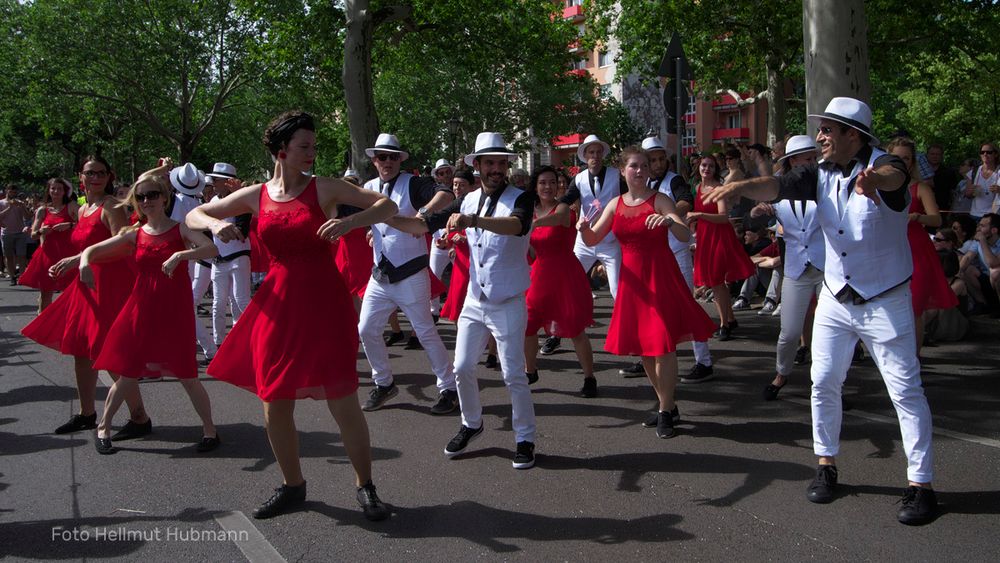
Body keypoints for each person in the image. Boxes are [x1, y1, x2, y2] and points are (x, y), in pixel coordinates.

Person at [704, 97, 937, 525]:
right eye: (822, 129)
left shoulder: (887, 165)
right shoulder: (818, 173)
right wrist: (739, 188)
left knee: (905, 391)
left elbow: (893, 176)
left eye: (829, 130)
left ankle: (920, 485)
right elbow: (777, 186)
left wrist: (872, 181)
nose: (822, 137)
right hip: (835, 295)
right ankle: (826, 466)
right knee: (823, 380)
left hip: (885, 299)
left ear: (855, 135)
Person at [185, 111, 396, 521]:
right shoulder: (256, 194)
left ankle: (365, 485)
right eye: (304, 146)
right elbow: (195, 214)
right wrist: (213, 224)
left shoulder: (325, 189)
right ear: (281, 151)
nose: (312, 153)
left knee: (342, 399)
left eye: (313, 146)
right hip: (277, 305)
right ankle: (292, 485)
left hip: (323, 301)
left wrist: (351, 220)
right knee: (274, 401)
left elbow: (386, 205)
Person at [385, 132, 538, 469]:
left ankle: (524, 437)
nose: (497, 169)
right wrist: (380, 217)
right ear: (478, 166)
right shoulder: (466, 200)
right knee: (462, 366)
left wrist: (475, 221)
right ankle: (472, 423)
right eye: (490, 163)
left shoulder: (520, 198)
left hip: (508, 300)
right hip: (475, 300)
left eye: (502, 163)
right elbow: (419, 224)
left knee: (513, 373)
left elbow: (518, 226)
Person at [578, 146, 716, 438]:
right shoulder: (615, 204)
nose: (639, 171)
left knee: (662, 345)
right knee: (644, 347)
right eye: (634, 166)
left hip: (660, 277)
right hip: (632, 283)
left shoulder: (660, 200)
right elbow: (592, 239)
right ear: (623, 171)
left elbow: (685, 234)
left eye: (643, 166)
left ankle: (665, 409)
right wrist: (581, 228)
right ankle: (667, 403)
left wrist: (669, 220)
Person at [86, 172, 220, 454]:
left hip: (174, 309)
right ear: (136, 202)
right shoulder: (134, 234)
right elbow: (94, 250)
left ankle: (210, 430)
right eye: (141, 197)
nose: (147, 201)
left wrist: (181, 255)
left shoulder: (180, 229)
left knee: (188, 375)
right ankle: (103, 428)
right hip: (141, 308)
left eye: (152, 195)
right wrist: (84, 262)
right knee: (127, 372)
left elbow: (211, 248)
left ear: (164, 197)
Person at [21, 156, 150, 438]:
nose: (95, 178)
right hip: (86, 286)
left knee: (111, 354)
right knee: (81, 350)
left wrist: (78, 258)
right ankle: (86, 413)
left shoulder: (112, 207)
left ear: (109, 176)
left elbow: (124, 246)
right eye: (90, 173)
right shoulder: (83, 210)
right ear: (80, 176)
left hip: (110, 287)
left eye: (101, 173)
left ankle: (140, 417)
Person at [356, 133, 458, 415]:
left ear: (400, 160)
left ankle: (448, 387)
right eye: (381, 156)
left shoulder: (413, 183)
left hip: (411, 272)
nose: (386, 161)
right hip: (381, 274)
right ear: (374, 160)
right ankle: (384, 382)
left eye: (392, 157)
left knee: (425, 332)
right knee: (366, 329)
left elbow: (445, 194)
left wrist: (423, 212)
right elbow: (369, 218)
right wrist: (369, 230)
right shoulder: (368, 187)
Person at [625, 136, 714, 385]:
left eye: (661, 158)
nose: (657, 163)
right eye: (652, 159)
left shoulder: (672, 181)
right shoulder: (641, 184)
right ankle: (649, 356)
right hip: (651, 258)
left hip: (675, 250)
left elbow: (686, 200)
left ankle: (704, 361)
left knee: (686, 304)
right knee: (649, 309)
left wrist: (670, 213)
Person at [757, 135, 824, 401]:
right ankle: (781, 374)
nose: (811, 163)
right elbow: (760, 217)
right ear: (793, 161)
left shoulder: (825, 185)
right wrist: (760, 213)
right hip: (796, 268)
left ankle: (830, 385)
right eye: (806, 159)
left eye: (813, 158)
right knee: (789, 333)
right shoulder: (780, 190)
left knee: (828, 333)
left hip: (825, 266)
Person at [523, 166, 596, 397]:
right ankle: (530, 370)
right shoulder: (528, 211)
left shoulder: (563, 207)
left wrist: (534, 224)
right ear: (535, 186)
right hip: (538, 276)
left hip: (565, 276)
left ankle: (589, 377)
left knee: (576, 330)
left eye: (552, 182)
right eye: (543, 182)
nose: (548, 187)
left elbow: (559, 219)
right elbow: (533, 253)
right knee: (528, 326)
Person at [886, 137, 959, 352]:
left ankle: (914, 359)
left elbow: (936, 219)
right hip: (888, 251)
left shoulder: (921, 188)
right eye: (897, 157)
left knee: (914, 307)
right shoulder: (879, 187)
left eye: (906, 158)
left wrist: (918, 217)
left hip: (916, 250)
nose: (901, 161)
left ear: (912, 162)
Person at [688, 156, 755, 341]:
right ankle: (730, 319)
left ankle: (724, 324)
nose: (706, 168)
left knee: (717, 281)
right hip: (705, 237)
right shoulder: (697, 187)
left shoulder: (719, 189)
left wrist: (700, 214)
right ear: (698, 167)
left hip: (719, 237)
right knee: (714, 281)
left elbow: (723, 216)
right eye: (703, 165)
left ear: (715, 169)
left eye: (710, 166)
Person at [168, 162, 216, 366]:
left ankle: (209, 348)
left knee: (184, 305)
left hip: (183, 257)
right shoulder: (197, 203)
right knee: (182, 306)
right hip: (193, 257)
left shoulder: (177, 203)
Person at [205, 163, 251, 348]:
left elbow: (243, 230)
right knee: (218, 303)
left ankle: (255, 336)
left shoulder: (241, 200)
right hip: (219, 258)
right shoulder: (213, 200)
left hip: (238, 256)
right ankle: (219, 343)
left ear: (228, 181)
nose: (212, 183)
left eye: (216, 180)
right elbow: (206, 227)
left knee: (241, 299)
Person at [20, 179, 79, 312]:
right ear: (48, 190)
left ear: (65, 191)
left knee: (70, 292)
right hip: (48, 254)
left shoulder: (72, 206)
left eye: (59, 189)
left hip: (68, 254)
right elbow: (33, 234)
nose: (56, 191)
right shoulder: (43, 210)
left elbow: (86, 225)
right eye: (53, 188)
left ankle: (68, 324)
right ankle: (41, 324)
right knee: (45, 293)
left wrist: (70, 225)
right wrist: (41, 231)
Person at [438, 168, 475, 323]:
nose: (457, 188)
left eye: (462, 185)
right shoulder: (453, 205)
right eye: (454, 185)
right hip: (460, 260)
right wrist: (446, 242)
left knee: (472, 300)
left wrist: (465, 238)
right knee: (458, 300)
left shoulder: (476, 204)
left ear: (471, 187)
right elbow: (449, 234)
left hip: (474, 260)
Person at [334, 168, 372, 313]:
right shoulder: (359, 203)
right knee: (355, 289)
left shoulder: (361, 203)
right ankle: (358, 324)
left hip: (356, 248)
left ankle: (360, 324)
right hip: (351, 248)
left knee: (358, 288)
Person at [959, 213, 1000, 312]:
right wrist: (958, 272)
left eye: (982, 226)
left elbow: (993, 263)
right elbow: (968, 257)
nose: (978, 229)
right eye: (978, 225)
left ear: (994, 230)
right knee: (966, 270)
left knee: (996, 274)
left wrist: (983, 241)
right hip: (987, 277)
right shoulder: (977, 241)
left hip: (998, 279)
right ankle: (983, 304)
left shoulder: (982, 240)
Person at [0, 184, 33, 285]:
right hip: (6, 233)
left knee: (21, 255)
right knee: (9, 256)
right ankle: (12, 277)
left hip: (20, 232)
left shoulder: (20, 203)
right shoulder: (1, 203)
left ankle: (22, 277)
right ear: (7, 191)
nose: (13, 194)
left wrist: (23, 207)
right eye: (11, 192)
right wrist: (9, 207)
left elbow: (27, 217)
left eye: (15, 192)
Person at [964, 142, 999, 221]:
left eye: (989, 152)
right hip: (975, 215)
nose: (985, 154)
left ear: (995, 154)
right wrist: (969, 191)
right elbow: (967, 195)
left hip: (994, 216)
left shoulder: (999, 172)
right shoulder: (974, 172)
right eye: (982, 152)